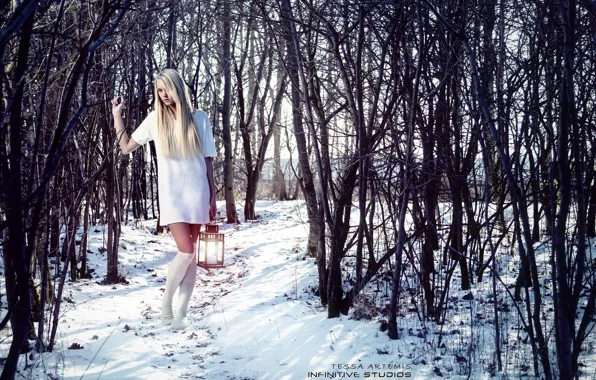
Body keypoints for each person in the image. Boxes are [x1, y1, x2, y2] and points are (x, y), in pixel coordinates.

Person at [111, 69, 217, 330]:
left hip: (198, 192)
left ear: (178, 87)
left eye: (167, 88)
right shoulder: (155, 119)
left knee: (191, 256)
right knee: (186, 250)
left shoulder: (199, 118)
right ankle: (166, 306)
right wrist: (116, 115)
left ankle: (181, 314)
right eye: (159, 90)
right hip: (172, 195)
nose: (164, 94)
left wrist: (213, 195)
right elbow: (125, 147)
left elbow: (208, 160)